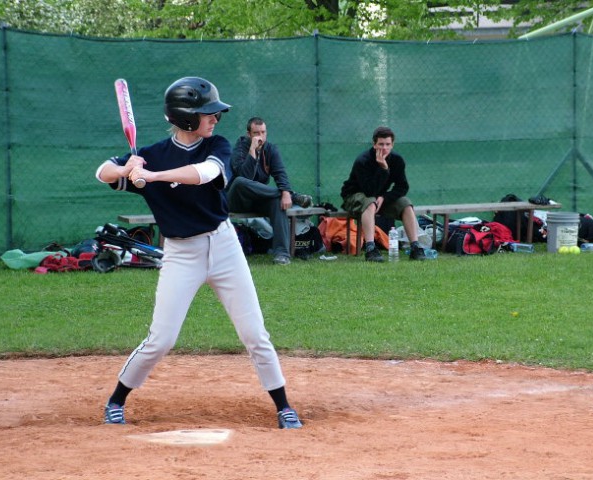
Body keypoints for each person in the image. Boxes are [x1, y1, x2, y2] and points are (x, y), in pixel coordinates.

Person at [95, 77, 302, 429]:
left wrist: (153, 176)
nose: (215, 119)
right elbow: (102, 172)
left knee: (254, 333)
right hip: (180, 253)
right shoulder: (150, 154)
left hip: (223, 246)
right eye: (208, 114)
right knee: (161, 340)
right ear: (186, 117)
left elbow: (205, 174)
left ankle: (283, 406)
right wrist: (126, 169)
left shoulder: (216, 146)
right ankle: (116, 401)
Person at [227, 117, 312, 265]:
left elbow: (280, 173)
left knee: (278, 202)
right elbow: (245, 176)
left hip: (259, 198)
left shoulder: (271, 149)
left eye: (263, 132)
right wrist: (252, 150)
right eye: (256, 133)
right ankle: (294, 196)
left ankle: (282, 254)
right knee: (240, 181)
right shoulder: (240, 148)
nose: (260, 136)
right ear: (249, 134)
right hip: (238, 199)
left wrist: (285, 192)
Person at [340, 126, 427, 262]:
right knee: (370, 203)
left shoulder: (397, 160)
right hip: (354, 195)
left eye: (387, 144)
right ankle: (370, 249)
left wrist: (384, 197)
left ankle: (416, 247)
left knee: (406, 204)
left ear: (392, 145)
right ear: (374, 144)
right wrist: (384, 168)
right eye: (381, 144)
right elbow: (369, 191)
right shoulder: (363, 161)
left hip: (378, 197)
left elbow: (402, 187)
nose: (384, 148)